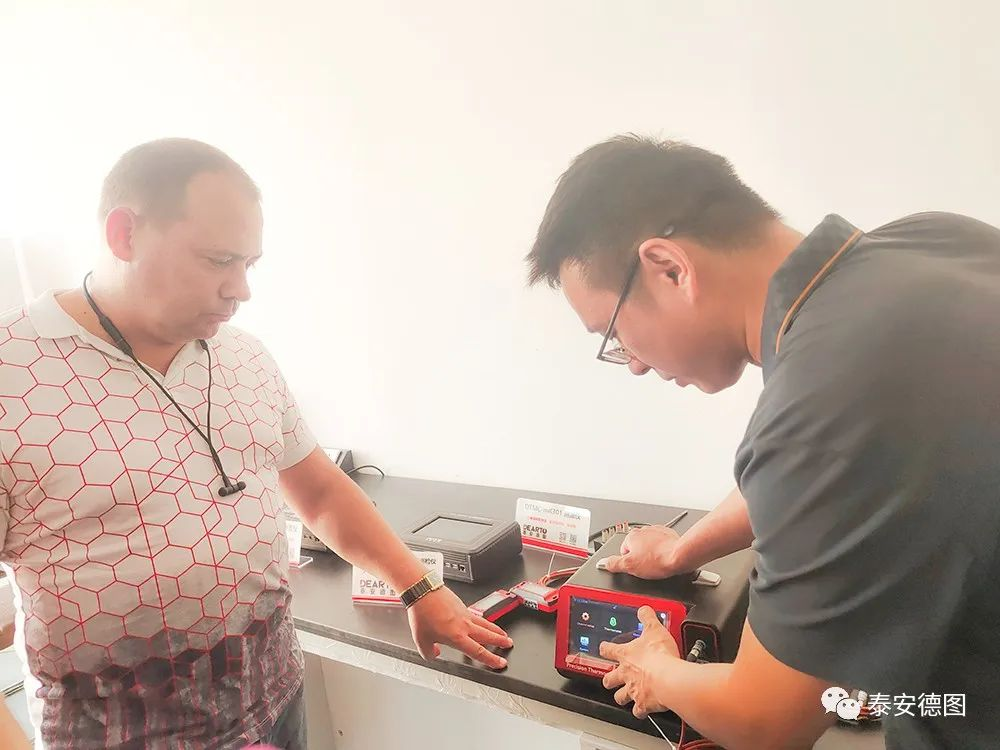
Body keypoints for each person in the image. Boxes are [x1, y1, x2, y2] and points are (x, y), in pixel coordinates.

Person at [0, 138, 512, 749]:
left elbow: (320, 491)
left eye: (249, 264)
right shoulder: (14, 375)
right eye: (219, 260)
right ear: (124, 234)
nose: (241, 289)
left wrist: (420, 588)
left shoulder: (245, 357)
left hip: (274, 709)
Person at [525, 135, 1000, 750]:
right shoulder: (932, 241)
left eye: (614, 334)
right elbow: (830, 473)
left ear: (670, 268)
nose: (633, 363)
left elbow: (764, 722)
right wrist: (681, 551)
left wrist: (658, 670)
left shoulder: (824, 399)